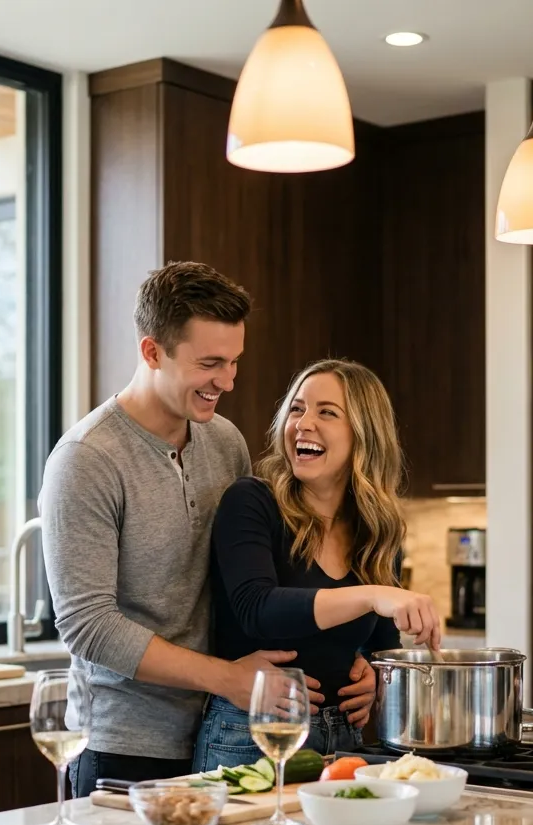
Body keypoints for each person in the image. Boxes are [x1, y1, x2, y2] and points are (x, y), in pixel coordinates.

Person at [40, 264, 378, 797]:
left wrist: (353, 656)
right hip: (127, 742)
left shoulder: (224, 442)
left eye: (235, 361)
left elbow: (257, 580)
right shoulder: (86, 460)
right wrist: (226, 677)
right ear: (152, 352)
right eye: (210, 363)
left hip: (226, 726)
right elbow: (88, 625)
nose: (228, 381)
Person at [193, 358, 441, 774]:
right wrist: (373, 595)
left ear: (364, 433)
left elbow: (379, 644)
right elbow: (259, 610)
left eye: (327, 412)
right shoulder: (253, 502)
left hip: (343, 736)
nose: (304, 423)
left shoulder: (377, 531)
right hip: (252, 734)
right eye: (296, 408)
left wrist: (375, 677)